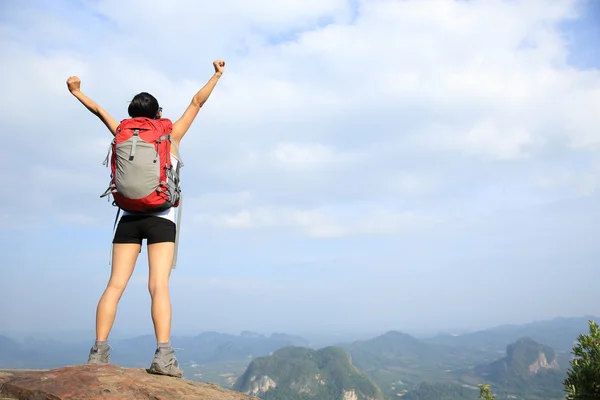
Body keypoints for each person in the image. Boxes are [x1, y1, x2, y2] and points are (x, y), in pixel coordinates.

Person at [66, 59, 226, 377]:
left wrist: (76, 91)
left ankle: (98, 353)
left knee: (114, 286)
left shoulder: (122, 132)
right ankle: (163, 357)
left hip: (128, 217)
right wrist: (216, 75)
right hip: (162, 218)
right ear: (157, 113)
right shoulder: (170, 134)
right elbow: (197, 101)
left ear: (132, 114)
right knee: (158, 286)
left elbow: (98, 110)